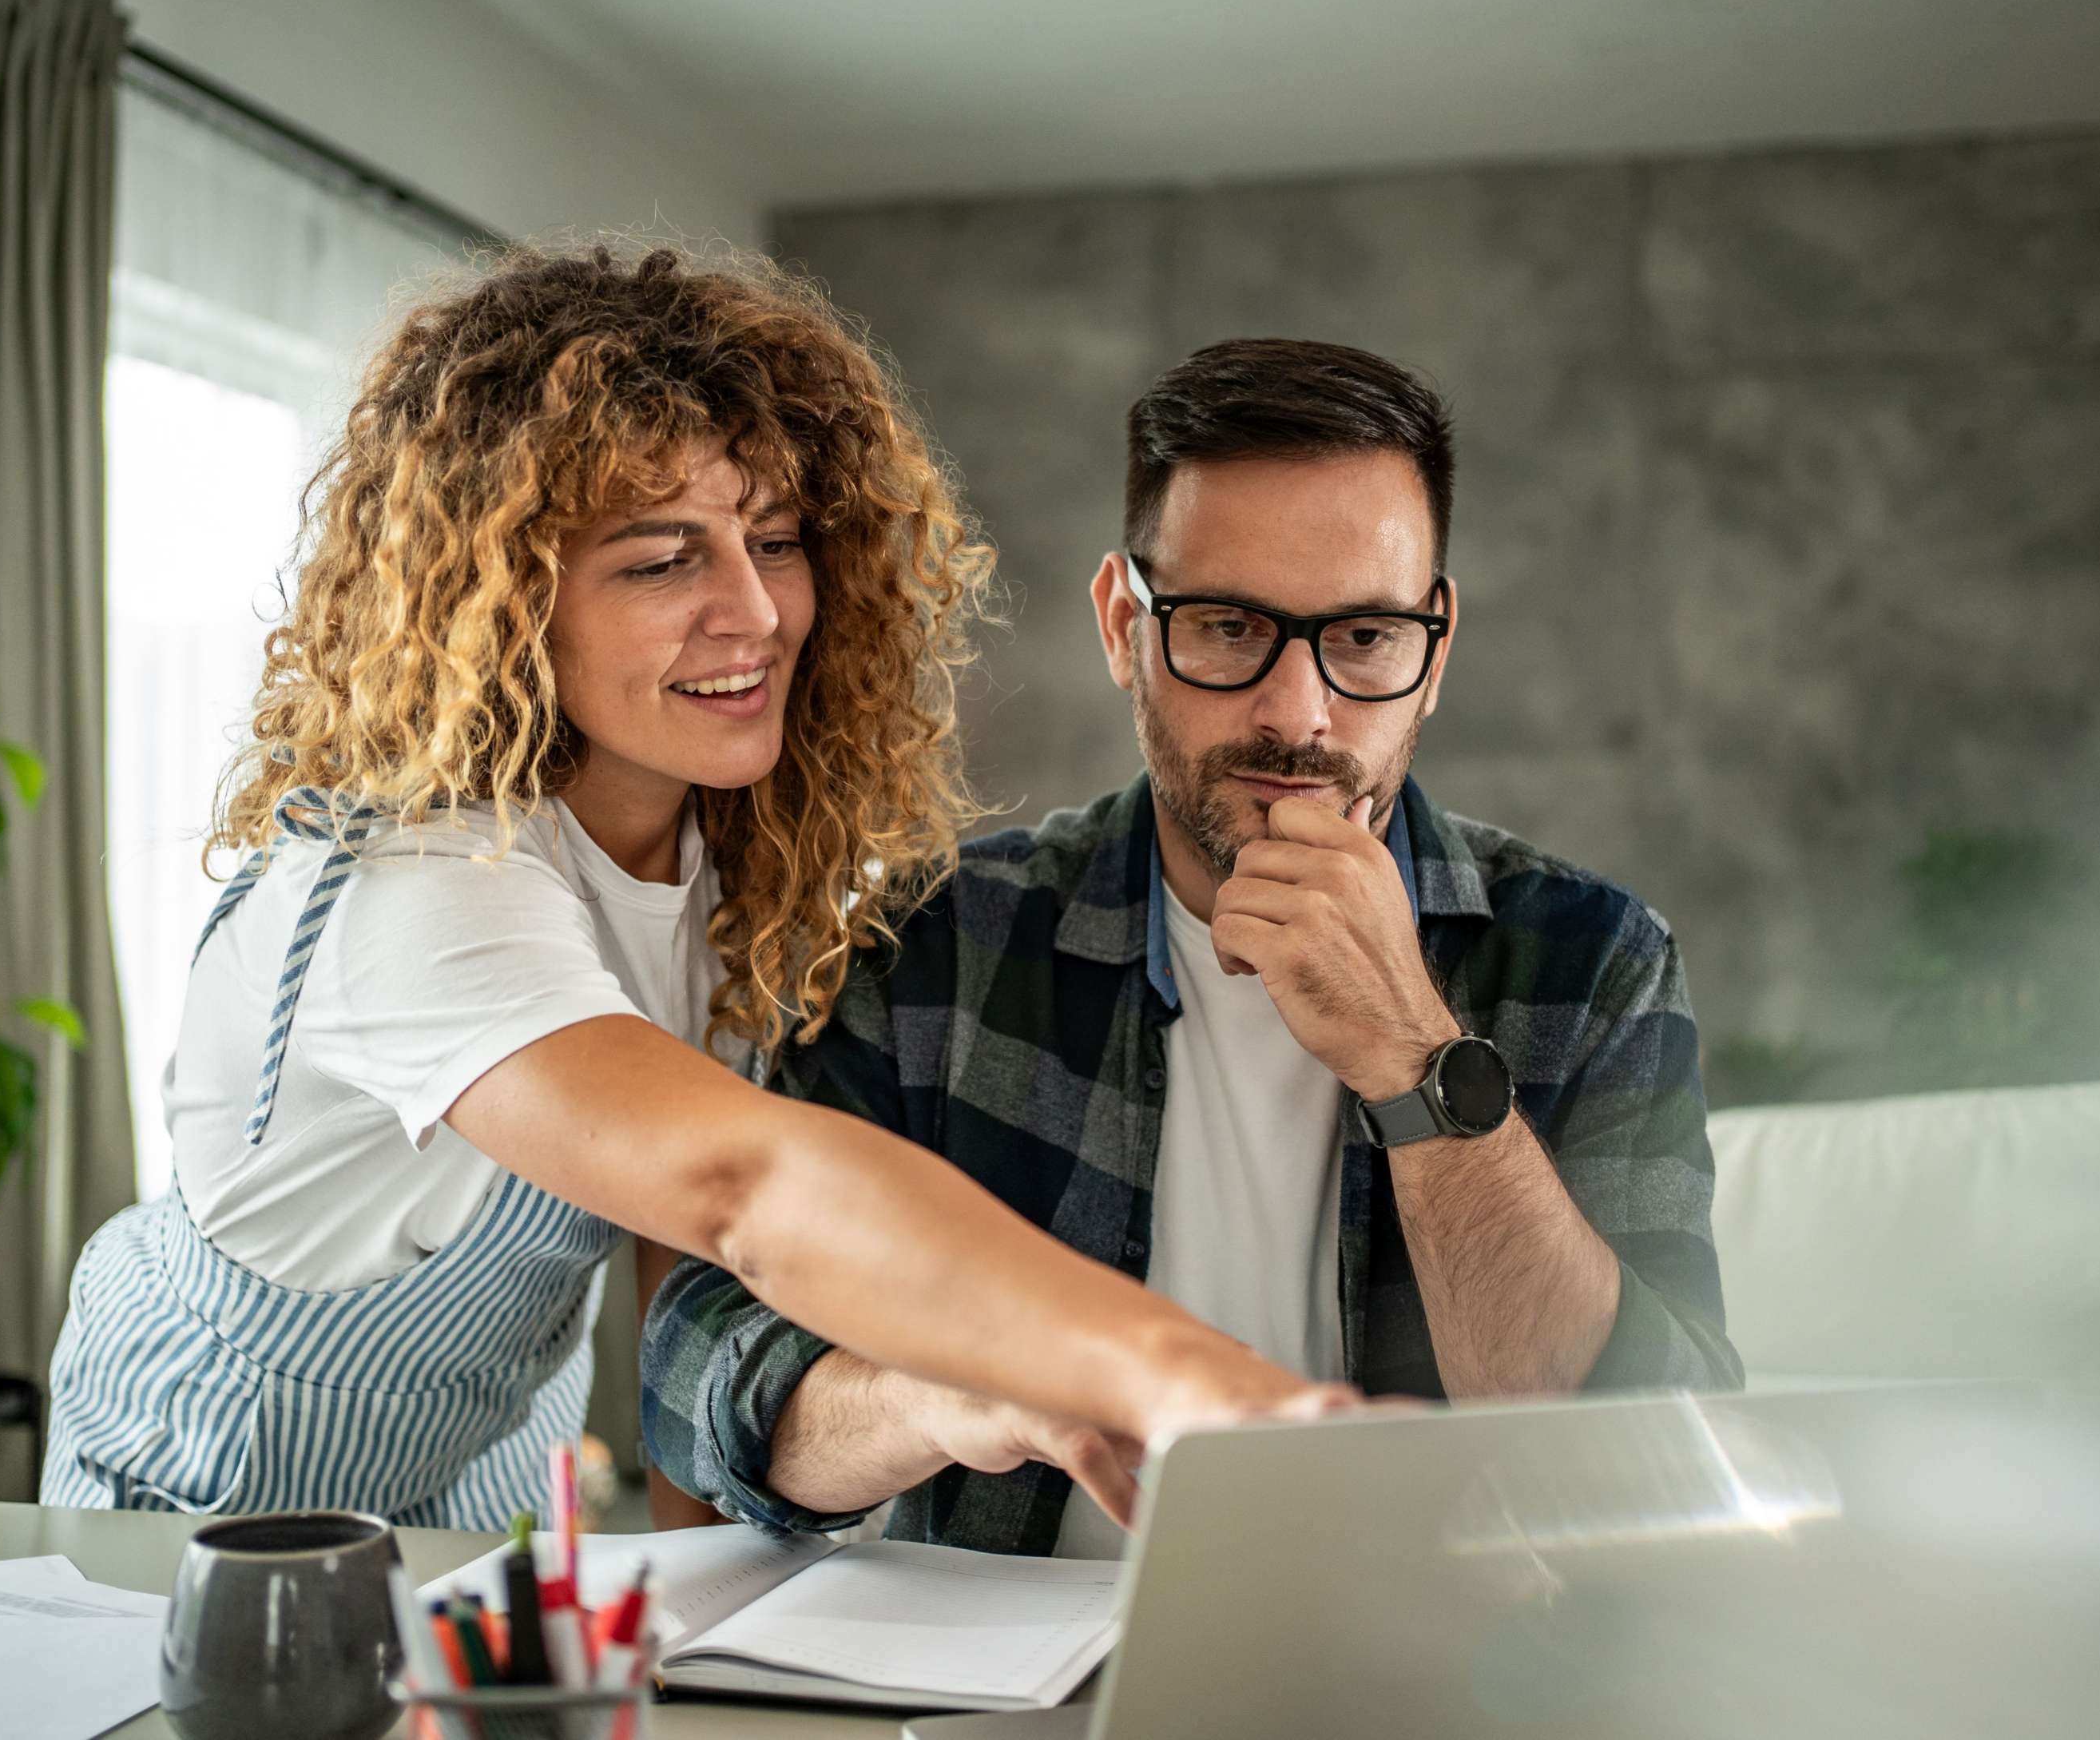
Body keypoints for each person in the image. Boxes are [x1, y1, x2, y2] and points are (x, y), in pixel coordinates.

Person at [41, 250, 1354, 1531]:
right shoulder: (419, 887)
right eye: (662, 561)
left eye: (773, 540)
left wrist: (708, 1629)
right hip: (205, 1479)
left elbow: (692, 1279)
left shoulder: (736, 867)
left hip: (491, 1473)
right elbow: (745, 1186)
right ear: (503, 608)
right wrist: (1174, 1372)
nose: (758, 612)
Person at [643, 336, 1742, 1556]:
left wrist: (1420, 1061)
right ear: (1124, 625)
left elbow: (1656, 1463)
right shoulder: (937, 950)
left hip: (1448, 1687)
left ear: (1435, 649)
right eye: (1227, 628)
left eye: (1367, 639)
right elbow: (693, 1374)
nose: (1299, 713)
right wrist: (939, 1393)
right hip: (1025, 1708)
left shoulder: (1593, 964)